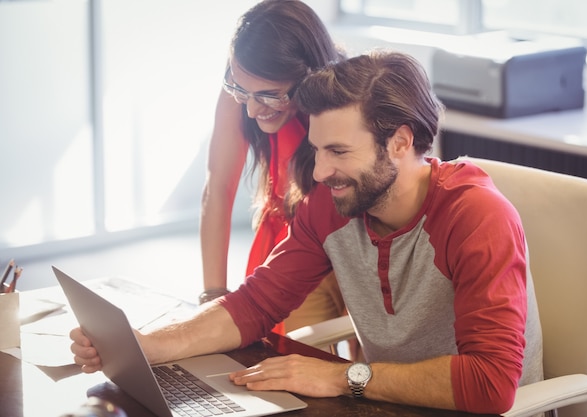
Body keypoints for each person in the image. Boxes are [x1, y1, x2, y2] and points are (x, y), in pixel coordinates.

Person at [70, 50, 543, 415]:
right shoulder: (334, 204)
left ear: (400, 142)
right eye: (317, 150)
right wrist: (147, 346)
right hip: (386, 404)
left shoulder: (477, 217)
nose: (319, 172)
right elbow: (255, 304)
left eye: (338, 151)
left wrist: (343, 378)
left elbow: (491, 383)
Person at [198, 0, 346, 334]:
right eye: (242, 91)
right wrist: (213, 296)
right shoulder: (241, 85)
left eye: (269, 95)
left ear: (309, 75)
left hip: (357, 244)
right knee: (287, 353)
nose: (251, 109)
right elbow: (218, 186)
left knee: (368, 364)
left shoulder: (347, 99)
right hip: (294, 239)